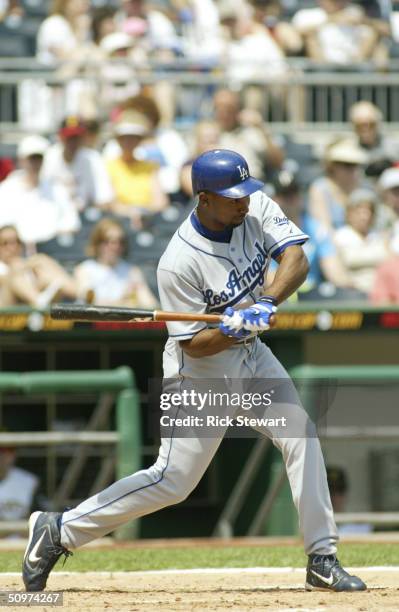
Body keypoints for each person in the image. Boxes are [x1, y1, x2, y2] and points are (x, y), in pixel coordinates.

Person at [22, 149, 366, 593]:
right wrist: (229, 328)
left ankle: (322, 556)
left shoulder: (254, 206)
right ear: (204, 198)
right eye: (232, 197)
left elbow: (296, 259)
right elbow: (196, 346)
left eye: (245, 193)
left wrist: (265, 303)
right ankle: (59, 529)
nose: (243, 203)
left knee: (301, 435)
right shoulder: (179, 260)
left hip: (252, 354)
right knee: (173, 482)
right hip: (201, 373)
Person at [270, 170, 356, 299]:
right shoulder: (265, 232)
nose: (291, 199)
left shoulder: (316, 229)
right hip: (280, 296)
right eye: (285, 195)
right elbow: (269, 278)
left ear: (300, 196)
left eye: (294, 193)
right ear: (274, 199)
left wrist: (351, 288)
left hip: (312, 296)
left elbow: (333, 269)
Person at [0, 135, 80, 246]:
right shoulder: (6, 189)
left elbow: (71, 221)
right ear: (21, 160)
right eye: (31, 158)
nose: (35, 163)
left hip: (52, 249)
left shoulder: (56, 189)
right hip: (16, 250)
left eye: (39, 158)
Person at [105, 110, 169, 227]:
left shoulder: (150, 166)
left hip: (148, 219)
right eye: (124, 138)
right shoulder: (108, 165)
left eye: (133, 138)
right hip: (118, 221)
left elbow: (160, 201)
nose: (128, 142)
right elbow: (110, 201)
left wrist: (142, 212)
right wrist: (131, 212)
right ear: (118, 140)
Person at [74, 218, 158, 307]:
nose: (115, 246)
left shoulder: (132, 271)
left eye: (120, 242)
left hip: (123, 320)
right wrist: (122, 301)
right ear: (97, 243)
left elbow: (150, 305)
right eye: (107, 241)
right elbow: (89, 302)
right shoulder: (84, 269)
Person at [41, 116, 114, 212]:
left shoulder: (93, 159)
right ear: (61, 138)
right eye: (69, 138)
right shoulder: (49, 157)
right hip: (55, 213)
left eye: (76, 138)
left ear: (83, 138)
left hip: (85, 214)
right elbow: (42, 193)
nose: (73, 142)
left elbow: (104, 197)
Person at [212, 89, 284, 181]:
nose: (225, 113)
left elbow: (278, 162)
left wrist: (261, 128)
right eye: (220, 108)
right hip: (221, 188)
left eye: (230, 108)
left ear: (239, 109)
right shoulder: (209, 135)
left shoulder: (252, 132)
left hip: (253, 187)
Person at [0, 225, 78, 308]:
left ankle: (80, 295)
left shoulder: (29, 264)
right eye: (5, 243)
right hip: (6, 312)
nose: (12, 247)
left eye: (16, 242)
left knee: (42, 261)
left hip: (32, 307)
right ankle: (40, 303)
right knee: (15, 276)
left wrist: (44, 280)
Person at [333, 188, 390, 295]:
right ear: (349, 213)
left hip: (382, 292)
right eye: (359, 211)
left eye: (368, 211)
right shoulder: (340, 236)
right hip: (352, 294)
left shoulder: (380, 237)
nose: (365, 216)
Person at [308, 139, 368, 232]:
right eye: (346, 165)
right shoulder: (320, 188)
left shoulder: (363, 188)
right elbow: (323, 227)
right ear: (332, 166)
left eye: (355, 165)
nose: (352, 170)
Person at [348, 101, 399, 176]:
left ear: (378, 124)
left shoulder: (394, 148)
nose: (365, 129)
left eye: (371, 124)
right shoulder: (348, 149)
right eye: (360, 125)